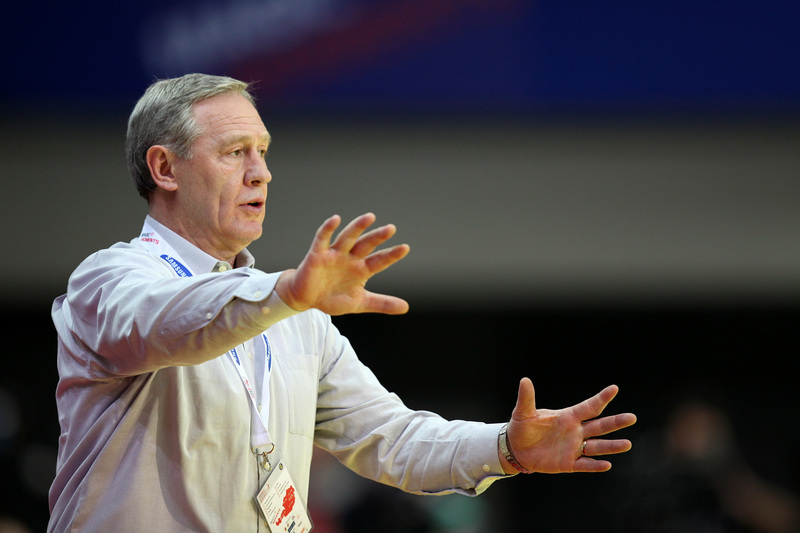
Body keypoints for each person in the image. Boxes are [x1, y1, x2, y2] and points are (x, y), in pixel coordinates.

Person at [48, 73, 637, 532]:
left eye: (263, 151)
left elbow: (392, 438)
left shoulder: (295, 317)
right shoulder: (106, 282)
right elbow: (171, 322)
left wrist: (505, 448)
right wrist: (286, 293)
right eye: (234, 152)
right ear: (164, 168)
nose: (261, 174)